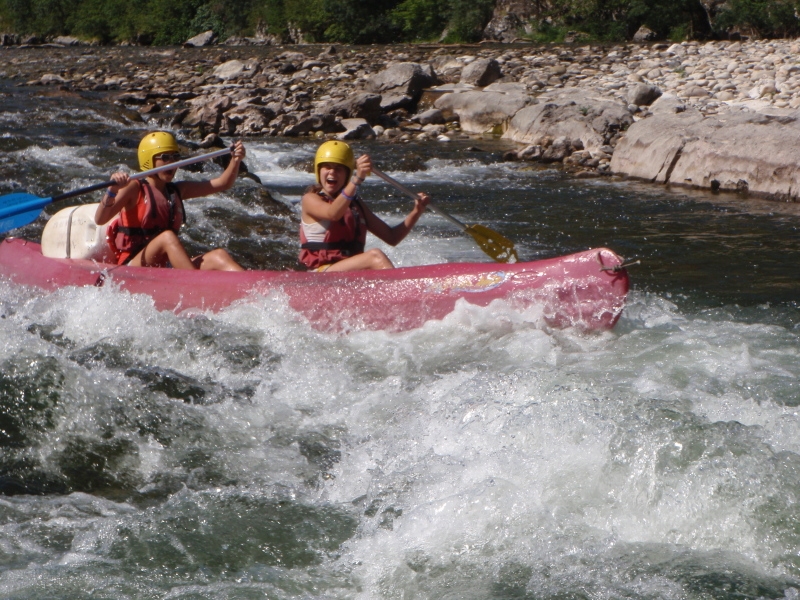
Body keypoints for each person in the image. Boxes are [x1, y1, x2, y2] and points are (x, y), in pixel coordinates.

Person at [95, 131, 245, 271]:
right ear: (149, 159)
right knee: (167, 238)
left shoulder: (177, 190)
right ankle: (196, 286)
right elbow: (100, 219)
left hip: (163, 266)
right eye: (165, 157)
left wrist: (236, 160)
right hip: (133, 265)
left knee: (219, 256)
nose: (171, 162)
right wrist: (112, 190)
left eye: (175, 157)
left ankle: (256, 292)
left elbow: (222, 183)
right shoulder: (134, 188)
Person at [300, 140, 430, 272]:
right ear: (319, 170)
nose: (332, 172)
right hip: (320, 274)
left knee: (374, 260)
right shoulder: (310, 199)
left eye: (338, 168)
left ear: (346, 174)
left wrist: (416, 211)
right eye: (327, 167)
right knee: (375, 257)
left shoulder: (355, 204)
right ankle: (402, 291)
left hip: (349, 275)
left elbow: (392, 237)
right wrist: (357, 179)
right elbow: (333, 214)